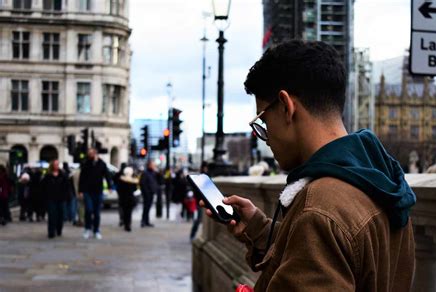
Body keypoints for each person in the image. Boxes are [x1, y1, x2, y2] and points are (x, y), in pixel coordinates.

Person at [201, 40, 416, 291]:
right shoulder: (380, 181)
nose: (267, 137)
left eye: (264, 121)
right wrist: (261, 230)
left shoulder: (320, 209)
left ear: (286, 107)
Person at [78, 148, 112, 240]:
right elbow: (82, 177)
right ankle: (87, 228)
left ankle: (96, 230)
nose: (90, 155)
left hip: (98, 191)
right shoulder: (86, 163)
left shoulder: (101, 163)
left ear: (96, 153)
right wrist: (80, 190)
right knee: (88, 210)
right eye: (89, 153)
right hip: (87, 191)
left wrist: (109, 186)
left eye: (92, 153)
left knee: (97, 213)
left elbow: (107, 175)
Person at [42, 159, 69, 239]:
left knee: (60, 215)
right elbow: (43, 187)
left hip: (61, 198)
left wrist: (65, 196)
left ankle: (59, 229)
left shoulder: (63, 175)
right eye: (55, 164)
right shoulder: (48, 175)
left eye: (58, 164)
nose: (57, 166)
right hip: (51, 198)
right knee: (52, 215)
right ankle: (51, 232)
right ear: (52, 165)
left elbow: (66, 187)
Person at [117, 166, 139, 232]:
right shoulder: (133, 181)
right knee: (129, 213)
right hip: (130, 199)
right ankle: (128, 225)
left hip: (123, 198)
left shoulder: (121, 180)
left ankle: (125, 223)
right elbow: (135, 189)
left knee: (124, 212)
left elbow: (119, 189)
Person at [139, 160, 158, 227]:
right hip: (147, 194)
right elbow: (142, 184)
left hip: (151, 193)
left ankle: (147, 221)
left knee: (148, 208)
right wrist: (146, 192)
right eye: (153, 165)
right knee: (146, 208)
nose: (154, 166)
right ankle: (143, 221)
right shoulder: (145, 173)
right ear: (149, 165)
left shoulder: (153, 173)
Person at [113, 163, 127, 227]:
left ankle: (122, 219)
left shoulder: (118, 173)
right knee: (124, 206)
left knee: (121, 206)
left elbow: (114, 180)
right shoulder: (126, 174)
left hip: (120, 192)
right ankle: (124, 219)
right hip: (124, 192)